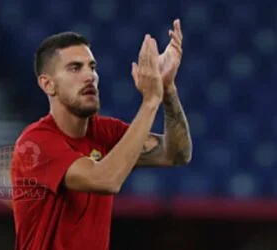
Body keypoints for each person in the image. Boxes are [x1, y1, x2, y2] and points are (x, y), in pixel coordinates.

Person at [11, 19, 192, 250]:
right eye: (75, 68)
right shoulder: (35, 143)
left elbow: (176, 154)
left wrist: (167, 91)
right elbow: (105, 179)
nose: (90, 76)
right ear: (48, 85)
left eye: (92, 67)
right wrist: (150, 102)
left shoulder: (106, 132)